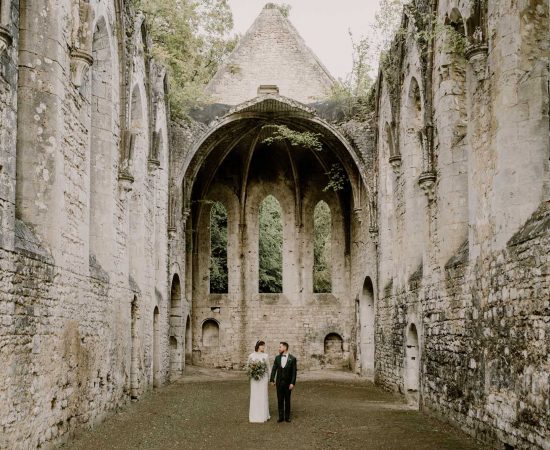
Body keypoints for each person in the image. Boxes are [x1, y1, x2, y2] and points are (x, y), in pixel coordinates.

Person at [270, 341, 297, 423]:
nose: (279, 348)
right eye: (279, 347)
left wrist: (292, 383)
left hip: (288, 383)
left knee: (287, 400)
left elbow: (294, 372)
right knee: (280, 400)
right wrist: (272, 379)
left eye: (280, 347)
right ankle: (281, 417)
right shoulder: (277, 358)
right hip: (279, 383)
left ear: (285, 348)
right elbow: (274, 369)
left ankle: (287, 417)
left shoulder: (292, 359)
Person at [248, 340, 270, 423]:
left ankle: (263, 415)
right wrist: (253, 373)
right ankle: (254, 415)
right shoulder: (251, 356)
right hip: (254, 379)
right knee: (255, 395)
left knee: (262, 395)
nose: (263, 347)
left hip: (263, 379)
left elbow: (268, 368)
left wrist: (270, 379)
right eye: (262, 345)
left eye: (264, 345)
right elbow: (248, 367)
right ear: (257, 346)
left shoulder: (266, 356)